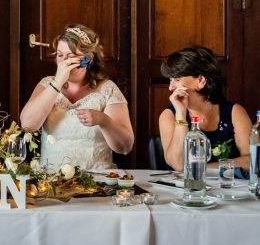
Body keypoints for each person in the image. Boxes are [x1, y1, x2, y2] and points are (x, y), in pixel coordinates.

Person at [19, 25, 134, 170]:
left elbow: (125, 147)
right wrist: (57, 82)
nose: (64, 63)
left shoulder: (107, 89)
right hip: (52, 179)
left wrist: (103, 120)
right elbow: (27, 126)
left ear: (88, 59)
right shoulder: (46, 84)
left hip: (97, 178)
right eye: (60, 55)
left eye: (72, 56)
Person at [159, 46, 251, 171]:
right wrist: (180, 113)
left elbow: (253, 160)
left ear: (201, 80)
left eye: (177, 79)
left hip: (227, 187)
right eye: (170, 80)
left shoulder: (234, 111)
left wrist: (201, 169)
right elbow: (179, 165)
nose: (171, 87)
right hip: (184, 189)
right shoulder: (169, 115)